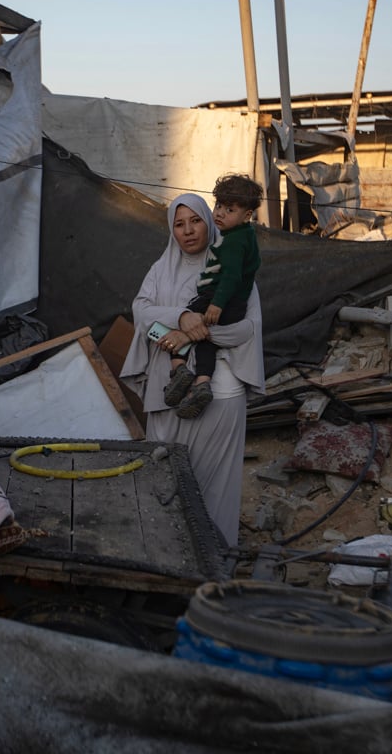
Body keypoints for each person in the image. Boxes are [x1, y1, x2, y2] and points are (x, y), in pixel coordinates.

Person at [120, 193, 265, 547]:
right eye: (179, 224)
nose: (188, 231)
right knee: (165, 480)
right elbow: (144, 319)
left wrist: (204, 333)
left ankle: (215, 560)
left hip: (220, 395)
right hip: (166, 390)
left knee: (213, 485)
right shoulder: (159, 271)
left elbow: (249, 328)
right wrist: (180, 321)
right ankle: (169, 559)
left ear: (209, 221)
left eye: (195, 221)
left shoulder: (234, 268)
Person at [164, 174, 263, 419]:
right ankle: (201, 382)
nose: (219, 213)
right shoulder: (243, 236)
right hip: (223, 307)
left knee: (166, 332)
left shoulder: (232, 243)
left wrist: (214, 305)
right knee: (203, 341)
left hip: (219, 302)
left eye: (229, 209)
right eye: (218, 206)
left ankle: (179, 369)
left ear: (247, 215)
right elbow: (141, 309)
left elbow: (230, 277)